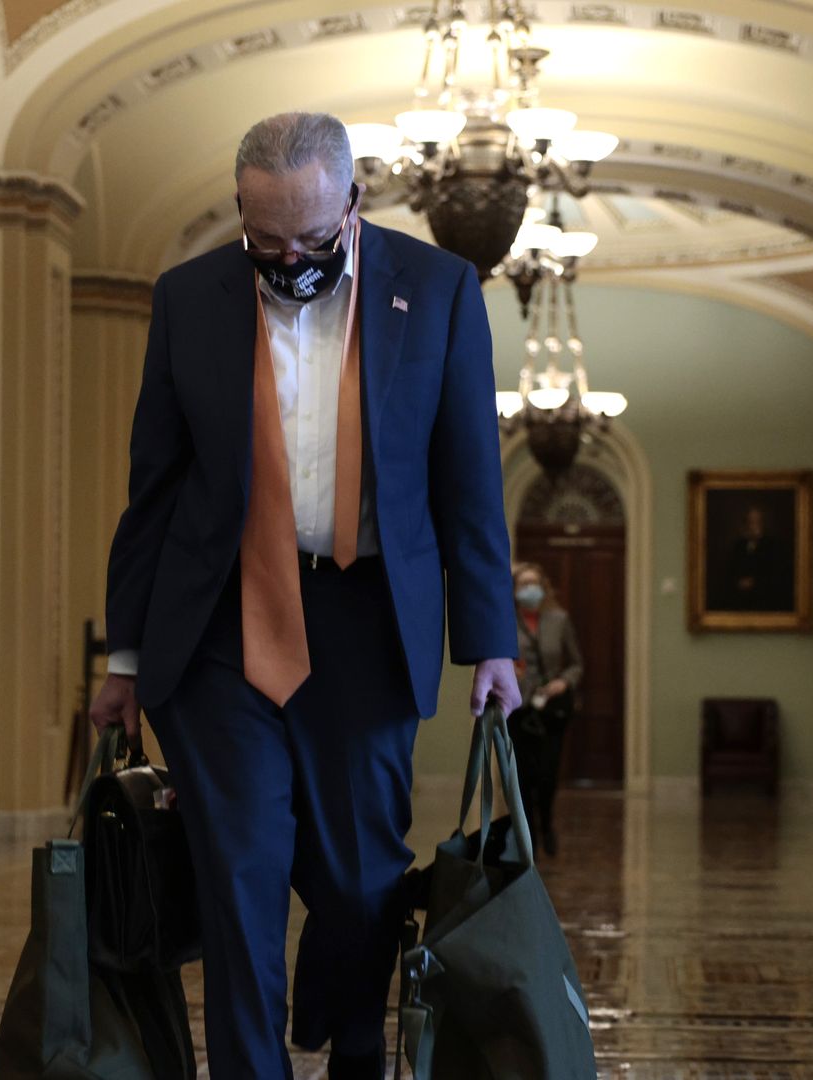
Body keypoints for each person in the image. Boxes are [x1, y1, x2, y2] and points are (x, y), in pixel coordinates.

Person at [88, 113, 519, 1078]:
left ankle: (354, 1053)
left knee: (359, 877)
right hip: (216, 628)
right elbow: (153, 487)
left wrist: (493, 639)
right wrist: (124, 656)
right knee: (237, 874)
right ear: (239, 207)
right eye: (266, 237)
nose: (289, 257)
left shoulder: (438, 290)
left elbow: (468, 479)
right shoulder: (189, 297)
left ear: (353, 203)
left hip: (365, 620)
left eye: (312, 239)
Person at [508, 562, 584, 856]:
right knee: (523, 775)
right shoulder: (506, 620)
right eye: (523, 584)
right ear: (514, 591)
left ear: (543, 587)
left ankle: (547, 825)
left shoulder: (559, 619)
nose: (529, 590)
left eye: (534, 583)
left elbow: (577, 663)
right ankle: (527, 838)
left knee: (547, 773)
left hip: (551, 708)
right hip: (519, 706)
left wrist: (563, 682)